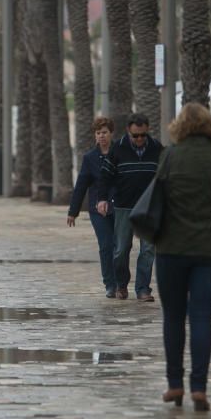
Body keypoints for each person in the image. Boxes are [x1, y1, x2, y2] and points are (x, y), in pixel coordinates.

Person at [153, 103, 211, 412]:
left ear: (180, 126)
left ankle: (175, 384)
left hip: (171, 248)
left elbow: (158, 196)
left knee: (173, 317)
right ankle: (199, 387)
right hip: (210, 250)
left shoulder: (170, 156)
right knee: (201, 317)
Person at [96, 113, 163, 301]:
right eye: (135, 135)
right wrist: (102, 199)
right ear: (128, 131)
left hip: (149, 207)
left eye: (142, 135)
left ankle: (143, 289)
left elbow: (166, 174)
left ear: (147, 130)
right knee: (121, 250)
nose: (140, 139)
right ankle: (121, 284)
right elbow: (105, 176)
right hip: (124, 206)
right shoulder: (118, 148)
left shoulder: (157, 148)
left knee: (148, 250)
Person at [67, 117, 117, 298]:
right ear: (94, 136)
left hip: (119, 206)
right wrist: (73, 212)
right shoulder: (90, 158)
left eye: (104, 132)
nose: (102, 136)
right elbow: (81, 185)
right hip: (98, 210)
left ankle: (121, 283)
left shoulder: (120, 152)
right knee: (105, 245)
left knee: (120, 246)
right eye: (98, 133)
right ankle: (110, 284)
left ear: (111, 133)